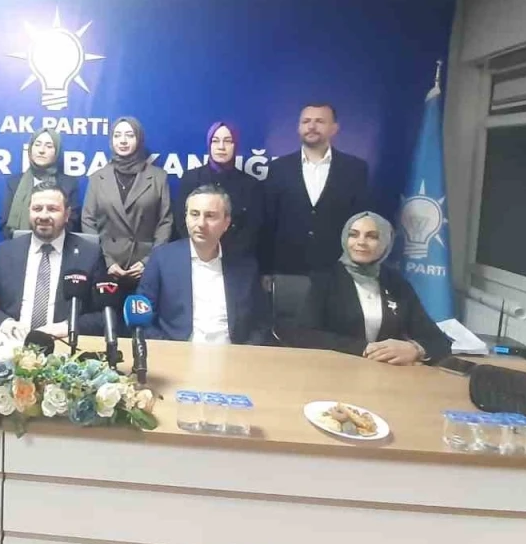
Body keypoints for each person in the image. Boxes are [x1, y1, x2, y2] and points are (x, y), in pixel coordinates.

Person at [288, 211, 451, 364]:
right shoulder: (325, 278)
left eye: (372, 236)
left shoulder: (396, 282)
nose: (361, 242)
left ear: (385, 242)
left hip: (386, 374)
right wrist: (365, 349)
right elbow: (304, 335)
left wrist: (416, 350)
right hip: (333, 369)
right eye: (353, 235)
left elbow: (439, 341)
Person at [137, 186, 268, 345]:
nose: (200, 223)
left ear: (226, 222)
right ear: (186, 218)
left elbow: (261, 323)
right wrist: (172, 350)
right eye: (194, 214)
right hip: (178, 353)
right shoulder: (162, 259)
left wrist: (245, 352)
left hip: (232, 354)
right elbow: (141, 318)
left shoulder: (245, 266)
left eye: (210, 216)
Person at [0, 185, 106, 342]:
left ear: (67, 214)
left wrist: (68, 327)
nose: (43, 216)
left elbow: (104, 315)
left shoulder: (89, 254)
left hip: (63, 344)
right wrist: (6, 323)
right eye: (37, 209)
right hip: (13, 343)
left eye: (52, 209)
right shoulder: (6, 251)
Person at [261, 103, 371, 275]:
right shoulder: (279, 168)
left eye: (319, 121)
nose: (311, 126)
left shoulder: (355, 169)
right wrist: (266, 270)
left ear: (334, 128)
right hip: (287, 271)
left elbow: (360, 220)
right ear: (298, 128)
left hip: (338, 271)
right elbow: (268, 223)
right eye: (306, 121)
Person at [82, 117, 172, 285]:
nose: (122, 141)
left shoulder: (158, 177)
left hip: (144, 267)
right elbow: (88, 221)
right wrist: (107, 261)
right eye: (117, 135)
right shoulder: (97, 178)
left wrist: (148, 261)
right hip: (106, 266)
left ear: (139, 139)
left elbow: (165, 223)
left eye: (129, 135)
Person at [174, 121, 263, 260]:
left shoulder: (250, 185)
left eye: (227, 141)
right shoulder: (191, 178)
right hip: (196, 257)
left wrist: (224, 255)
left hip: (235, 260)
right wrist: (203, 252)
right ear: (209, 144)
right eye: (215, 141)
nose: (221, 147)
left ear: (235, 145)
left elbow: (252, 229)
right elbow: (181, 221)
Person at [0, 128, 81, 239]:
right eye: (37, 145)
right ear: (30, 149)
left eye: (49, 146)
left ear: (56, 151)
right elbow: (5, 223)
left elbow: (72, 223)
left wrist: (46, 241)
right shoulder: (14, 182)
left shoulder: (69, 184)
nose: (41, 150)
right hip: (19, 245)